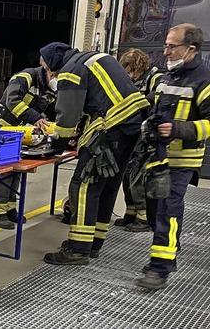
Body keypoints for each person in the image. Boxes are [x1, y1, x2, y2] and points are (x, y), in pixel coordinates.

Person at [39, 42, 151, 265]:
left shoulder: (71, 69)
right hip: (132, 126)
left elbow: (67, 118)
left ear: (53, 63)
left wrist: (55, 148)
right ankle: (94, 244)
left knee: (83, 186)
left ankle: (78, 249)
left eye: (46, 68)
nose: (48, 74)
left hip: (111, 129)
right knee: (107, 185)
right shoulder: (95, 58)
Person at [136, 23, 210, 289]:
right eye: (165, 45)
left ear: (191, 49)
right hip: (157, 156)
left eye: (172, 46)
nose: (166, 51)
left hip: (182, 160)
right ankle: (170, 249)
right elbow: (153, 108)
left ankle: (161, 267)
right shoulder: (166, 77)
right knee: (155, 208)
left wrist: (179, 128)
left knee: (168, 209)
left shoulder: (204, 81)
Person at [0, 64, 58, 229]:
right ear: (48, 70)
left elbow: (51, 111)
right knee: (4, 170)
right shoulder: (25, 77)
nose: (57, 79)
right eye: (56, 75)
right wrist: (35, 117)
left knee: (16, 170)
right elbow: (12, 100)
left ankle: (9, 208)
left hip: (20, 133)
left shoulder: (49, 89)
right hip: (1, 129)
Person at [114, 48, 164, 232]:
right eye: (128, 72)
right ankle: (131, 212)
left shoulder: (156, 78)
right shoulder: (127, 81)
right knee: (126, 174)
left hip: (147, 135)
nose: (131, 76)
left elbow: (159, 97)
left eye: (133, 72)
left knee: (138, 176)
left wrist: (139, 101)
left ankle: (144, 217)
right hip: (131, 134)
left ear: (140, 67)